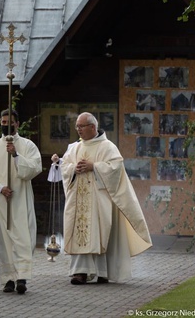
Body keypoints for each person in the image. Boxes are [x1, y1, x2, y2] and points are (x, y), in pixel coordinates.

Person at [60, 112, 152, 285]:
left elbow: (115, 169)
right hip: (78, 199)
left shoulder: (107, 146)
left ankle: (103, 271)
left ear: (93, 127)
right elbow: (65, 166)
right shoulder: (74, 148)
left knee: (98, 232)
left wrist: (93, 166)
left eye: (81, 126)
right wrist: (73, 169)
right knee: (81, 232)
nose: (78, 130)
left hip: (99, 199)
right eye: (77, 127)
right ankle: (80, 272)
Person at [0, 109, 42, 294]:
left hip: (21, 199)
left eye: (9, 122)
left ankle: (21, 277)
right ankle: (8, 279)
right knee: (4, 240)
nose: (5, 125)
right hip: (1, 201)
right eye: (3, 121)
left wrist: (15, 155)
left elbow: (34, 169)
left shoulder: (28, 146)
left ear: (17, 124)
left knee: (23, 238)